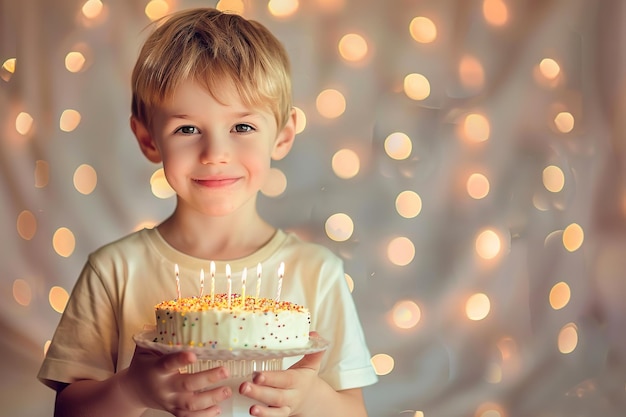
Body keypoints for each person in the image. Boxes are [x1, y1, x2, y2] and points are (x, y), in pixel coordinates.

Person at [38, 7, 378, 417]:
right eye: (186, 129)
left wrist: (309, 397)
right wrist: (132, 391)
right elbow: (68, 411)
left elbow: (352, 411)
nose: (215, 154)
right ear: (148, 139)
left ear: (283, 135)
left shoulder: (316, 272)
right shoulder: (114, 270)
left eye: (242, 127)